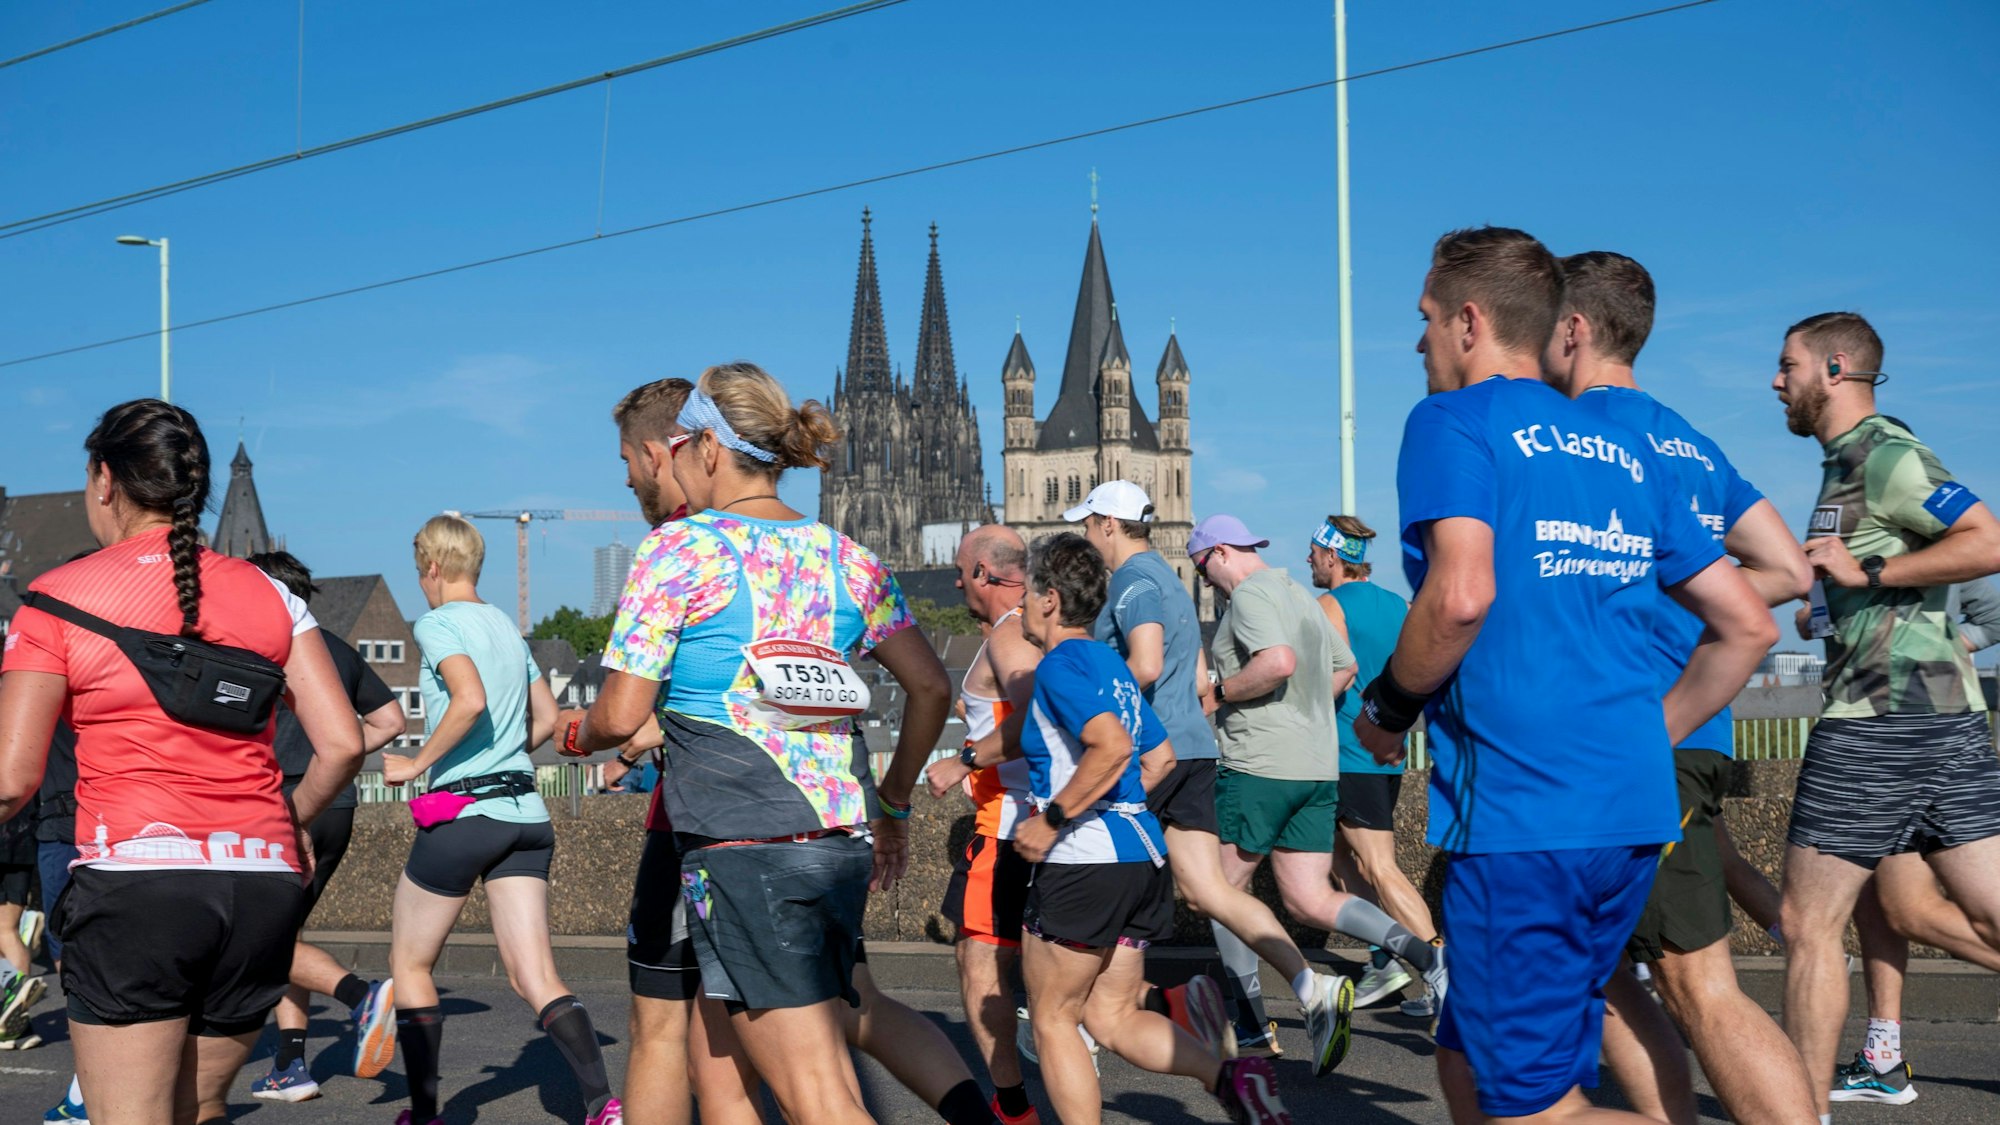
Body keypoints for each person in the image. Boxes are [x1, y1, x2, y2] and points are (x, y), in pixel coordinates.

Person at [1354, 228, 1775, 1125]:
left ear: (1469, 321)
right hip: (1626, 812)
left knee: (1537, 1110)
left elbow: (1460, 596)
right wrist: (1648, 732)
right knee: (1467, 1055)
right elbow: (1746, 622)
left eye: (1424, 319)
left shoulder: (1452, 422)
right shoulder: (1623, 447)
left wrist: (1388, 707)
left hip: (1524, 818)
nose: (1417, 341)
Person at [559, 363, 977, 1125]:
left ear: (709, 450)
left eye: (683, 446)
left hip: (743, 845)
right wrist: (893, 800)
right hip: (837, 840)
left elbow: (619, 716)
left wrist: (572, 731)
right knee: (743, 1069)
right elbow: (932, 688)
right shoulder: (847, 555)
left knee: (818, 1095)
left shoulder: (682, 550)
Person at [0, 399, 365, 1125]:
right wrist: (288, 820)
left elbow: (13, 778)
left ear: (105, 481)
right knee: (200, 1107)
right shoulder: (274, 595)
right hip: (258, 885)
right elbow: (345, 743)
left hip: (139, 881)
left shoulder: (56, 600)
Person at [1545, 250, 1818, 1125]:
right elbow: (1785, 568)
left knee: (1699, 982)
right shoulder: (1686, 438)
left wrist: (1643, 592)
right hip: (1692, 730)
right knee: (1607, 968)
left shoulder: (1576, 439)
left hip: (1634, 737)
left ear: (1573, 329)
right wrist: (1689, 593)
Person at [1772, 312, 2000, 1120]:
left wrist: (1869, 571)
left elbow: (1985, 539)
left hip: (1881, 719)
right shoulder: (1843, 467)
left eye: (1788, 364)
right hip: (1941, 718)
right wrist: (1828, 600)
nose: (1776, 381)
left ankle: (1796, 1110)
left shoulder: (1886, 453)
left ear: (1835, 368)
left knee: (1808, 920)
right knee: (1980, 911)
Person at [1060, 482, 1352, 1067]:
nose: (1087, 536)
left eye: (1089, 524)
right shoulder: (1170, 578)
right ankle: (1310, 987)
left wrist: (1084, 695)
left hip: (1150, 750)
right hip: (1193, 748)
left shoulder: (1133, 581)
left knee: (1085, 867)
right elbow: (1195, 674)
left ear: (1110, 525)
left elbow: (1142, 666)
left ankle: (1081, 1018)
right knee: (1207, 890)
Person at [1007, 532, 1289, 1125]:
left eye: (1030, 593)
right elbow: (1156, 758)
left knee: (1053, 1015)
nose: (1023, 605)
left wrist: (1055, 818)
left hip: (1083, 861)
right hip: (1141, 859)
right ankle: (1231, 1076)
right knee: (1110, 1016)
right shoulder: (1111, 665)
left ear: (1052, 599)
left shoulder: (1058, 665)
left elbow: (1109, 747)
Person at [384, 515, 620, 1125]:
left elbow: (468, 700)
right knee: (535, 974)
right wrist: (502, 752)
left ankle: (426, 1113)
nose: (420, 582)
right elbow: (545, 719)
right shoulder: (507, 629)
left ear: (432, 568)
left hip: (464, 813)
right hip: (526, 814)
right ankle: (602, 1104)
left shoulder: (437, 623)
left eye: (418, 571)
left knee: (410, 965)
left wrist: (417, 764)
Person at [1194, 512, 1444, 1074]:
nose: (1206, 582)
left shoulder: (1263, 598)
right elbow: (1351, 667)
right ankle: (1425, 958)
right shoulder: (1329, 600)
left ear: (1216, 554)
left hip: (1277, 761)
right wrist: (1313, 718)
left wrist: (1221, 691)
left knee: (1220, 887)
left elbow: (1278, 663)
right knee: (1311, 894)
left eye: (1202, 569)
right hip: (1334, 760)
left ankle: (1255, 1023)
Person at [242, 551, 405, 1103]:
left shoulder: (263, 639)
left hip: (283, 799)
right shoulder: (335, 647)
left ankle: (359, 995)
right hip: (339, 802)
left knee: (253, 939)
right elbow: (391, 721)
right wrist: (340, 757)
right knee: (284, 933)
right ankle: (290, 1066)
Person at [923, 524, 1045, 1125]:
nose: (954, 580)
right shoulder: (1031, 623)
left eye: (961, 569)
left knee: (982, 971)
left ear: (982, 574)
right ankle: (1178, 1010)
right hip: (1027, 823)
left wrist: (963, 759)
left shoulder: (1013, 634)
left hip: (1008, 827)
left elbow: (1036, 718)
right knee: (1070, 984)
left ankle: (1012, 1110)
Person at [1307, 515, 1440, 1018]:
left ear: (1334, 557)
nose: (1309, 560)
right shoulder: (1399, 606)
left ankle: (1438, 968)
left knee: (1380, 868)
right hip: (1388, 751)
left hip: (1347, 750)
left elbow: (1331, 679)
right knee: (1343, 860)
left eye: (1315, 552)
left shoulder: (1328, 605)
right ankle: (1385, 956)